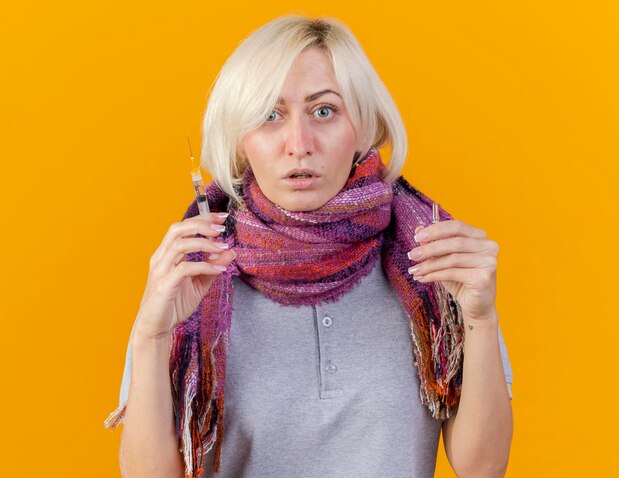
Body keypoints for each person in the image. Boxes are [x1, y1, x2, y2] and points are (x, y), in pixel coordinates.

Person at [105, 14, 513, 478]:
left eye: (324, 111)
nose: (299, 144)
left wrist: (481, 317)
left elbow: (483, 468)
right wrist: (151, 335)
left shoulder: (432, 258)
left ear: (361, 125)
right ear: (241, 140)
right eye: (269, 115)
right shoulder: (193, 275)